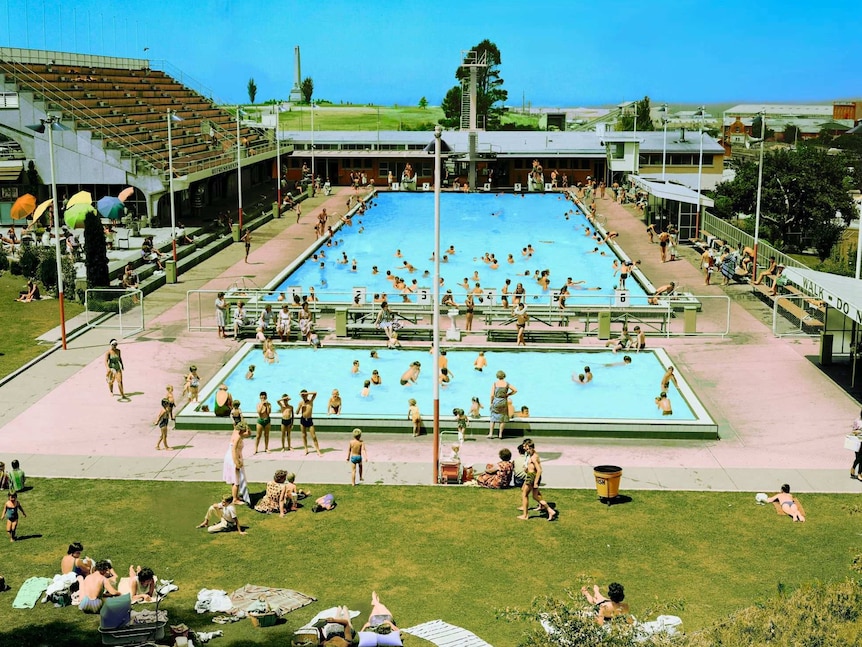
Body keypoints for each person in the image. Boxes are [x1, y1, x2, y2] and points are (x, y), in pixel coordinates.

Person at [518, 439, 557, 521]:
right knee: (535, 496)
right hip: (531, 475)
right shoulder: (532, 455)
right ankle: (550, 510)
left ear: (531, 448)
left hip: (532, 477)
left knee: (524, 495)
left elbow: (539, 470)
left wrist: (535, 482)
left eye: (527, 448)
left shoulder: (534, 457)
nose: (526, 450)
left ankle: (525, 515)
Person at [224, 423, 251, 505]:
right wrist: (237, 462)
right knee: (236, 480)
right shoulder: (238, 437)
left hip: (232, 457)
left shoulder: (236, 432)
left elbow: (248, 434)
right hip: (233, 458)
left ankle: (236, 496)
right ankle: (235, 499)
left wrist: (246, 426)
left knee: (236, 479)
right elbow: (234, 450)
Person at [489, 371, 516, 439]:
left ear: (497, 376)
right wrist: (508, 394)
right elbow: (515, 390)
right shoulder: (506, 384)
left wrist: (491, 402)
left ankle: (491, 434)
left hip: (496, 401)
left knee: (493, 418)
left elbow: (492, 395)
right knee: (502, 418)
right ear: (504, 376)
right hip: (503, 401)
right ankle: (500, 434)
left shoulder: (495, 384)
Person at [299, 390, 322, 456]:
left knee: (314, 436)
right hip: (303, 420)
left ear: (306, 395)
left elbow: (315, 393)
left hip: (309, 420)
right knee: (304, 435)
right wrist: (301, 407)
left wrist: (306, 393)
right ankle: (306, 449)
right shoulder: (301, 403)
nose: (303, 396)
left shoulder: (310, 401)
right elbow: (297, 412)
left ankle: (318, 450)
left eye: (304, 395)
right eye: (302, 395)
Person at [850, 410, 862, 479]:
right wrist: (859, 431)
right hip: (858, 441)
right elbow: (854, 431)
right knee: (858, 458)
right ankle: (853, 467)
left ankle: (860, 473)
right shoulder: (857, 421)